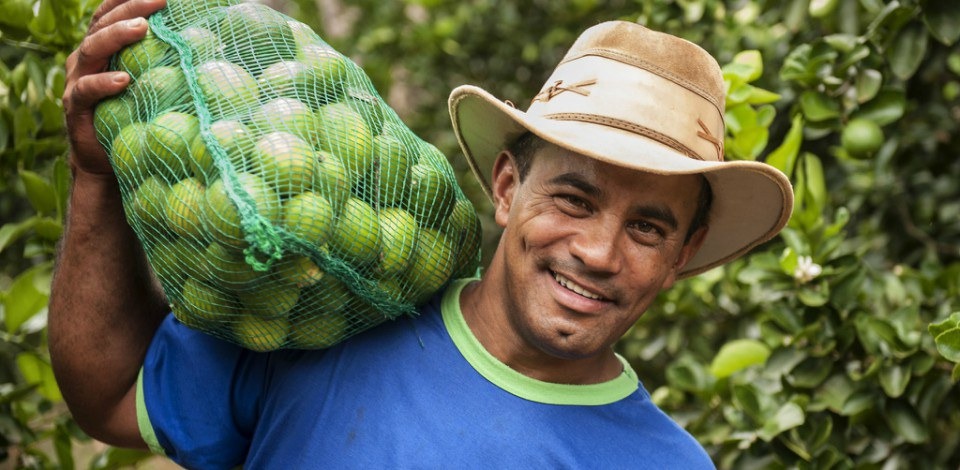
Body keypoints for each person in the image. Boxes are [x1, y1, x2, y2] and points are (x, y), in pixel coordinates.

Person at [49, 0, 794, 467]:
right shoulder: (338, 302)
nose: (597, 253)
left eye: (648, 228)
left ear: (682, 256)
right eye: (572, 200)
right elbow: (112, 397)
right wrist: (92, 179)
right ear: (507, 187)